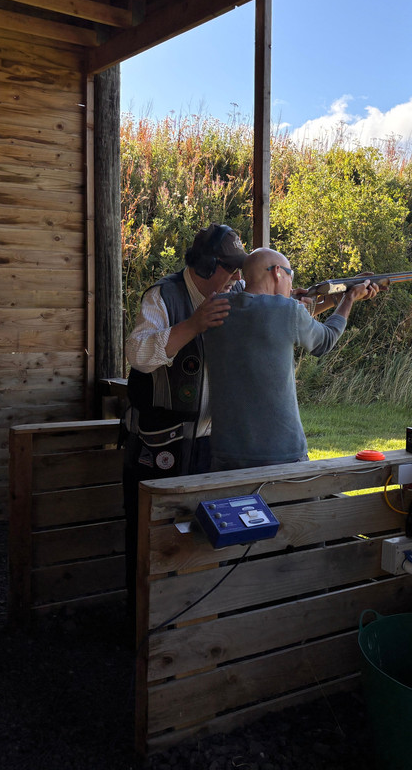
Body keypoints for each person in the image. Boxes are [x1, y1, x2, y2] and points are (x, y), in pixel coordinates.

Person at [121, 223, 246, 605]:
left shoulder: (233, 292)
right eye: (230, 267)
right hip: (161, 445)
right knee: (152, 536)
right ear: (208, 266)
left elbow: (281, 309)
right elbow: (139, 355)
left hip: (212, 443)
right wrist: (193, 324)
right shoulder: (164, 295)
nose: (238, 276)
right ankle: (142, 623)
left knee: (206, 535)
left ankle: (193, 622)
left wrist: (337, 302)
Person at [202, 248, 380, 471]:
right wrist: (348, 299)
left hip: (225, 451)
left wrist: (311, 303)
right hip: (281, 452)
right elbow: (324, 341)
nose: (290, 282)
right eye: (290, 275)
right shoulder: (287, 311)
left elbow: (262, 320)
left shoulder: (216, 307)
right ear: (277, 272)